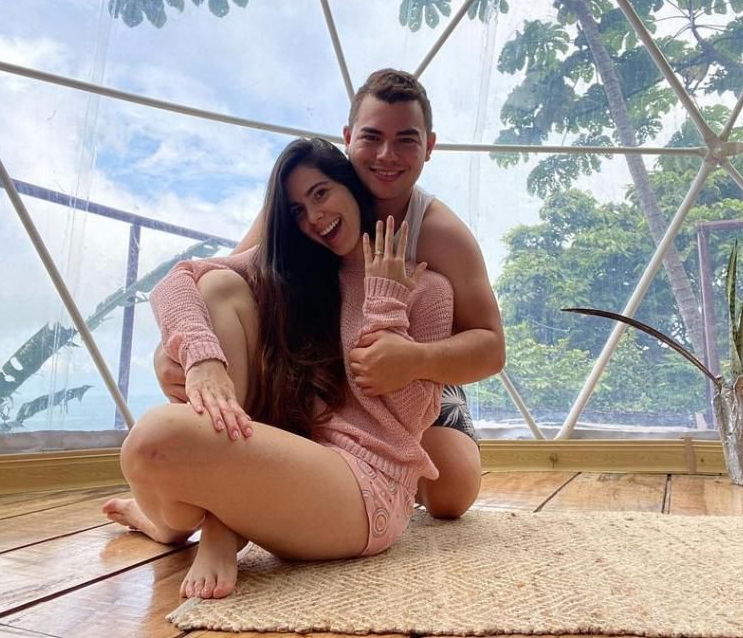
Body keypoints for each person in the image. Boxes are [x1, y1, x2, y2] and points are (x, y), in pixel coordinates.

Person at [104, 138, 454, 600]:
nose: (314, 217)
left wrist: (386, 304)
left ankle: (215, 524)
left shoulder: (427, 288)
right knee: (220, 285)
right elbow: (176, 283)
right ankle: (189, 525)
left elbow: (406, 418)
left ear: (350, 186)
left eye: (321, 193)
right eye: (296, 210)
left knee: (153, 441)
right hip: (286, 451)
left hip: (364, 487)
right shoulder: (301, 271)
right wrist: (203, 359)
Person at [153, 69, 505, 518]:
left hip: (415, 373)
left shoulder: (439, 234)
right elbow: (224, 285)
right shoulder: (309, 201)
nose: (386, 155)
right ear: (348, 137)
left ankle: (380, 481)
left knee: (451, 491)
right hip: (318, 368)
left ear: (429, 147)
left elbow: (491, 348)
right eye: (372, 137)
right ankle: (215, 497)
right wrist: (182, 351)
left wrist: (415, 360)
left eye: (406, 140)